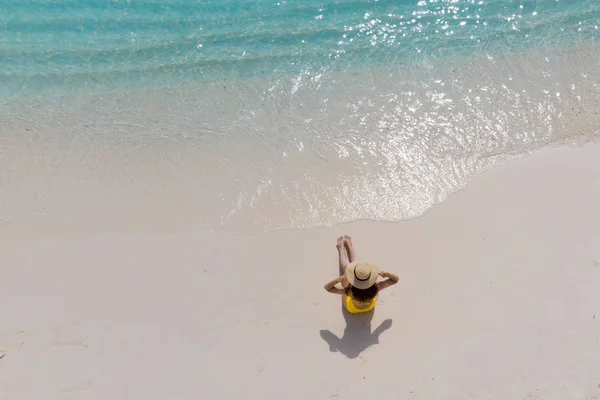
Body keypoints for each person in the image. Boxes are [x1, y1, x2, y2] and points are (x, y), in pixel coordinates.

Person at [324, 235, 399, 314]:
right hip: (370, 307)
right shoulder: (376, 288)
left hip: (352, 309)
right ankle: (349, 245)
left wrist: (338, 279)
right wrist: (387, 274)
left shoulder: (349, 292)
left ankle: (341, 247)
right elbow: (395, 280)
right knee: (357, 265)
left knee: (346, 269)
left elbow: (328, 288)